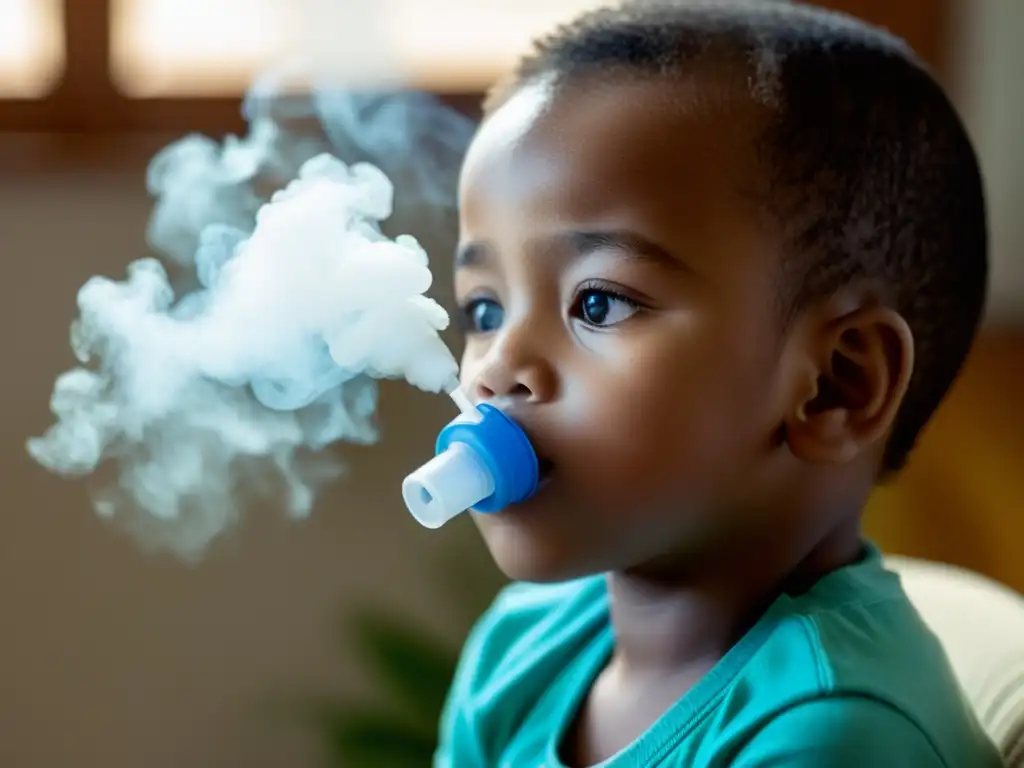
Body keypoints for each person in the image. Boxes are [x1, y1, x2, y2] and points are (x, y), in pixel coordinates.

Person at [435, 1, 1001, 765]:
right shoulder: (519, 652)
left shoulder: (830, 738)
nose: (498, 367)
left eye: (597, 303)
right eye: (485, 308)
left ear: (836, 386)